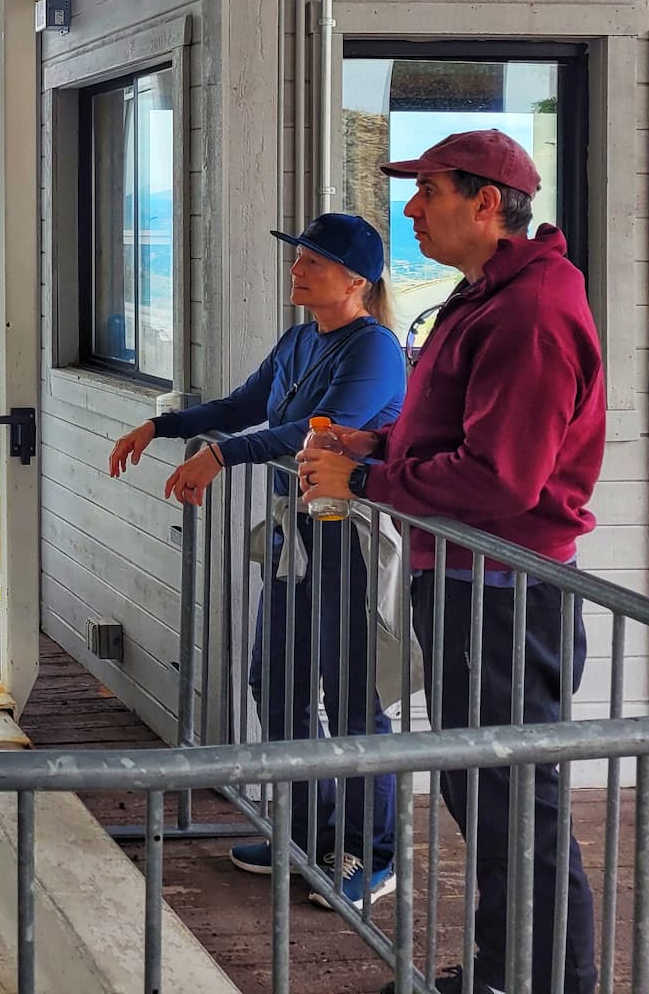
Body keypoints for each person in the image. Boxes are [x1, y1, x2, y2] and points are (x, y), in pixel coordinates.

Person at [298, 130, 601, 994]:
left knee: (515, 801)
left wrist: (365, 474)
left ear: (486, 202)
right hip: (474, 584)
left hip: (506, 590)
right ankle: (509, 971)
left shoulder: (531, 311)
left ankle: (540, 980)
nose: (411, 208)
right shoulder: (486, 297)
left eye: (427, 189)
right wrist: (380, 441)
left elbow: (501, 478)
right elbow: (459, 433)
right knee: (489, 795)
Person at [109, 213, 407, 911]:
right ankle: (306, 831)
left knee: (355, 697)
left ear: (355, 280)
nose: (297, 269)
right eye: (298, 257)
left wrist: (217, 455)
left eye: (313, 261)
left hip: (351, 542)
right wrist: (164, 425)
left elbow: (312, 435)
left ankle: (372, 852)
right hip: (297, 538)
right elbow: (246, 405)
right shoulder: (301, 338)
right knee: (275, 679)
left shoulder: (374, 351)